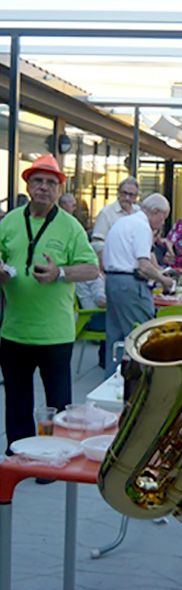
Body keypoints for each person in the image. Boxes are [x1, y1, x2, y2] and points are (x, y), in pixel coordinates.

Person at [0, 154, 99, 452]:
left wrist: (60, 273)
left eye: (50, 182)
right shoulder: (10, 220)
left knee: (57, 403)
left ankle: (53, 457)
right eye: (38, 181)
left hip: (55, 333)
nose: (43, 187)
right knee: (17, 400)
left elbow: (92, 269)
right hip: (14, 330)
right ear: (28, 185)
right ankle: (19, 454)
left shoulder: (71, 227)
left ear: (59, 189)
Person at [103, 193, 174, 376]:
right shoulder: (142, 227)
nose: (162, 223)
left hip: (113, 280)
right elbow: (143, 265)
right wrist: (165, 280)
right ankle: (139, 385)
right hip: (130, 284)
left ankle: (112, 381)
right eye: (163, 218)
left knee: (115, 339)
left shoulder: (124, 222)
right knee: (141, 336)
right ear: (156, 212)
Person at [91, 177, 140, 261]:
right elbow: (97, 243)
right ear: (118, 193)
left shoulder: (138, 212)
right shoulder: (106, 213)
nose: (127, 198)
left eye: (131, 195)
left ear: (136, 197)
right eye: (124, 193)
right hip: (114, 263)